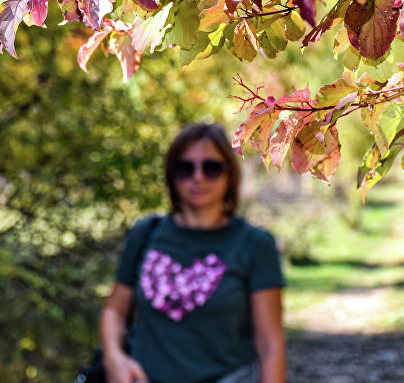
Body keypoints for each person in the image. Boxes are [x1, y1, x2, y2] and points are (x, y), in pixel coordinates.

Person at [99, 123, 286, 383]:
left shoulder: (254, 244)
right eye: (186, 168)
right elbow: (115, 310)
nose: (198, 177)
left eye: (211, 168)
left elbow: (270, 345)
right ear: (171, 174)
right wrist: (114, 358)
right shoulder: (145, 234)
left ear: (229, 174)